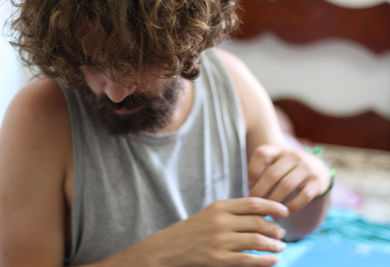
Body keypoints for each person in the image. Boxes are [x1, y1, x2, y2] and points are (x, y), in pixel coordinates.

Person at [0, 0, 332, 266]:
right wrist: (158, 256)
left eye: (138, 61)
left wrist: (316, 177)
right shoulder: (40, 115)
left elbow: (295, 227)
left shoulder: (233, 83)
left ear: (187, 40)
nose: (115, 91)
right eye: (91, 62)